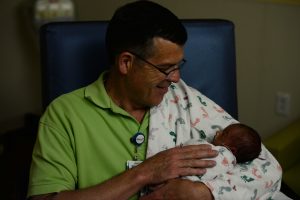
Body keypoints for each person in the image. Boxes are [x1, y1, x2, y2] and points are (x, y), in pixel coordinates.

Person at [27, 1, 281, 200]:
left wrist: (203, 192)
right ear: (126, 62)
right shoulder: (65, 115)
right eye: (165, 68)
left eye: (179, 65)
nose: (176, 77)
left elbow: (266, 168)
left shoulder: (185, 99)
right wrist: (144, 173)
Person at [183, 123, 262, 182]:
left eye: (224, 133)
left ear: (232, 150)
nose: (218, 132)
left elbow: (190, 146)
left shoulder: (217, 152)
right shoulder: (230, 167)